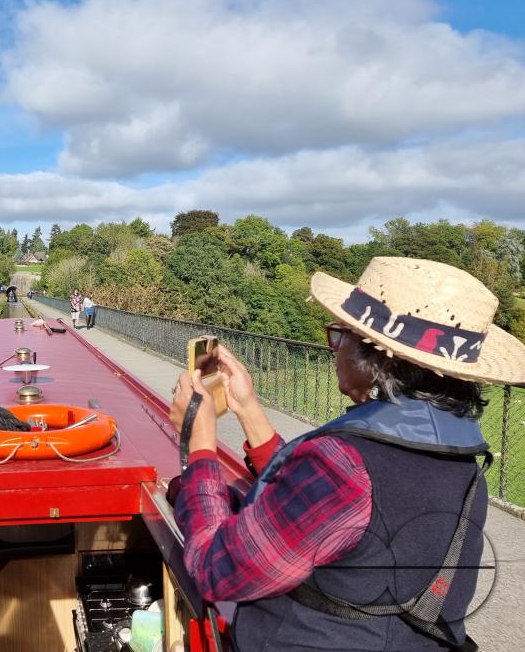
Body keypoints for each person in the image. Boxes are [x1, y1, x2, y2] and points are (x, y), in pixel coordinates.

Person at [168, 257, 525, 651]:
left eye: (342, 335)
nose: (335, 348)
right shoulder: (458, 455)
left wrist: (199, 440)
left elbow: (218, 569)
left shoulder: (345, 466)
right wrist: (248, 409)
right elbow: (332, 508)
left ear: (373, 358)